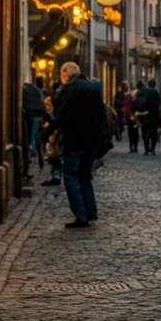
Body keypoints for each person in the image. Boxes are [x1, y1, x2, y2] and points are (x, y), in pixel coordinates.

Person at [51, 61, 105, 227]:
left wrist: (50, 127)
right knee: (85, 177)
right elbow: (102, 113)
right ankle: (90, 211)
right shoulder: (91, 88)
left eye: (62, 75)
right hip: (92, 141)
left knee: (70, 177)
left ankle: (81, 216)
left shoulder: (71, 89)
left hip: (76, 140)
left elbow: (63, 113)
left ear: (65, 74)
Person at [22, 75, 46, 179]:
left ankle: (32, 150)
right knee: (34, 136)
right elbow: (42, 107)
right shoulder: (37, 92)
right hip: (35, 117)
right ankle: (33, 149)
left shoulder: (27, 89)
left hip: (28, 116)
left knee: (31, 137)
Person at [135, 79, 161, 155]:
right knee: (154, 133)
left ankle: (146, 149)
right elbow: (159, 104)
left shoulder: (145, 92)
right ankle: (152, 149)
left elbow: (142, 103)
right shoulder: (156, 93)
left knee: (145, 132)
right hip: (154, 116)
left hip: (145, 115)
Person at [121, 81, 140, 153]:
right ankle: (134, 146)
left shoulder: (128, 98)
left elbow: (126, 108)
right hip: (135, 116)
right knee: (135, 132)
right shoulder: (133, 97)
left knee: (131, 132)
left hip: (130, 117)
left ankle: (132, 146)